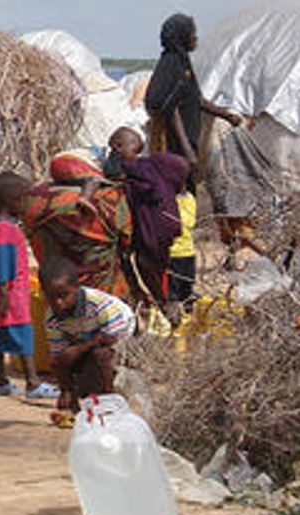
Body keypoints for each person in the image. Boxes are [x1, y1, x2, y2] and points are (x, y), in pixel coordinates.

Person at [0, 173, 60, 399]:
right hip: (11, 294)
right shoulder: (8, 230)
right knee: (23, 334)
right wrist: (5, 292)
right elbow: (2, 261)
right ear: (14, 201)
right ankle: (33, 383)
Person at [144, 13, 241, 190]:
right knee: (179, 188)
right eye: (192, 32)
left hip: (187, 138)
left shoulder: (182, 61)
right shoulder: (171, 63)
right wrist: (187, 149)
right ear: (181, 35)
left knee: (188, 187)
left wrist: (226, 115)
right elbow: (170, 107)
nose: (195, 37)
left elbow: (195, 98)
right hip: (174, 143)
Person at [22, 150, 133, 299]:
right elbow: (129, 243)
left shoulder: (32, 200)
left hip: (56, 297)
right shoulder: (108, 198)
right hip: (106, 296)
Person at [41, 257, 135, 422]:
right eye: (51, 297)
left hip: (119, 337)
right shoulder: (52, 318)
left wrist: (79, 349)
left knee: (101, 357)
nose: (58, 303)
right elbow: (59, 356)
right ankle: (71, 399)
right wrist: (65, 389)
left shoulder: (101, 305)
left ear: (77, 288)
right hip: (88, 337)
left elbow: (111, 338)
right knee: (61, 361)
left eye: (63, 296)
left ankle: (109, 399)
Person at [106, 127, 187, 314]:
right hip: (167, 219)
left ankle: (164, 303)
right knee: (156, 263)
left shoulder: (127, 166)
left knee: (145, 262)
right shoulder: (155, 164)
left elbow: (112, 174)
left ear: (117, 147)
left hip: (153, 223)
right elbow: (181, 165)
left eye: (114, 147)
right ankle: (163, 300)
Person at [167, 185, 197, 323]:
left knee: (187, 294)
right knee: (172, 296)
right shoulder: (167, 198)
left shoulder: (190, 198)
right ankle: (175, 328)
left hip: (186, 252)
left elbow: (188, 223)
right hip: (172, 253)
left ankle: (187, 329)